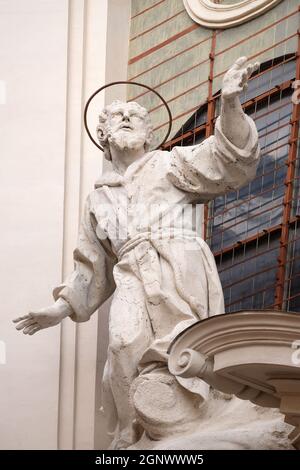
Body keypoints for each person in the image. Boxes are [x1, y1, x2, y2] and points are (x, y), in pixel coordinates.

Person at [14, 57, 261, 448]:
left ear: (149, 134)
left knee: (186, 346)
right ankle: (131, 425)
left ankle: (191, 412)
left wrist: (230, 104)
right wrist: (60, 309)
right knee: (123, 341)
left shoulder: (169, 163)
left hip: (179, 265)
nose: (126, 118)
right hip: (131, 270)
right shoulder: (98, 197)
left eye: (135, 116)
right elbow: (91, 264)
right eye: (117, 117)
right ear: (104, 136)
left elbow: (226, 160)